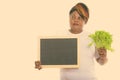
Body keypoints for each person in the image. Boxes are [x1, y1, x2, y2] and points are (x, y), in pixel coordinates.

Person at [35, 2, 108, 80]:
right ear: (69, 18)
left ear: (85, 21)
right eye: (73, 17)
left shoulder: (92, 38)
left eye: (79, 18)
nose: (76, 20)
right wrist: (41, 64)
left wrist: (103, 57)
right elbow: (51, 58)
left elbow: (101, 62)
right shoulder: (60, 36)